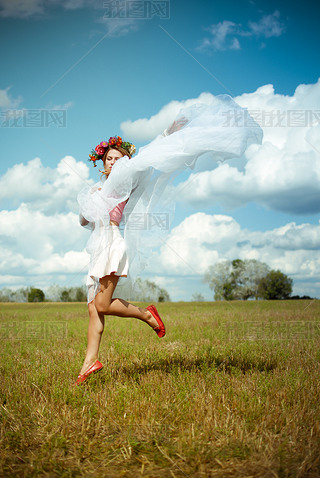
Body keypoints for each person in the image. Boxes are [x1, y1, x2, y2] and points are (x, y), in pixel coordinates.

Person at [75, 94, 263, 385]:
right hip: (96, 245)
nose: (114, 162)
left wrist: (169, 131)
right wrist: (88, 204)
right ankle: (88, 364)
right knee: (93, 308)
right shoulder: (96, 189)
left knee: (101, 305)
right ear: (102, 163)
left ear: (126, 161)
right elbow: (83, 221)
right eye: (109, 158)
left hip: (112, 242)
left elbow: (152, 154)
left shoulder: (127, 176)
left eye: (119, 158)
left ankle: (146, 314)